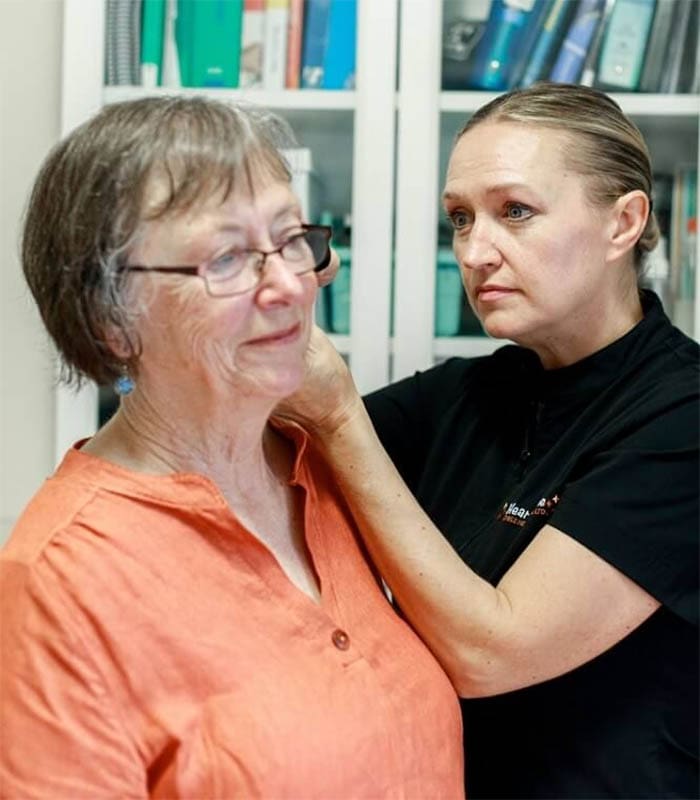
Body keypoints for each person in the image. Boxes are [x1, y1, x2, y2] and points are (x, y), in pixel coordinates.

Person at [0, 95, 465, 799]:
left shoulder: (326, 463)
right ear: (111, 321)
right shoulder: (58, 577)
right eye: (226, 259)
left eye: (289, 240)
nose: (286, 286)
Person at [279, 83, 699, 799]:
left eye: (516, 212)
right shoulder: (470, 393)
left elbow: (490, 651)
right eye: (460, 219)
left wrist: (341, 416)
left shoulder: (682, 415)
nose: (476, 252)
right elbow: (264, 449)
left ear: (624, 222)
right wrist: (275, 301)